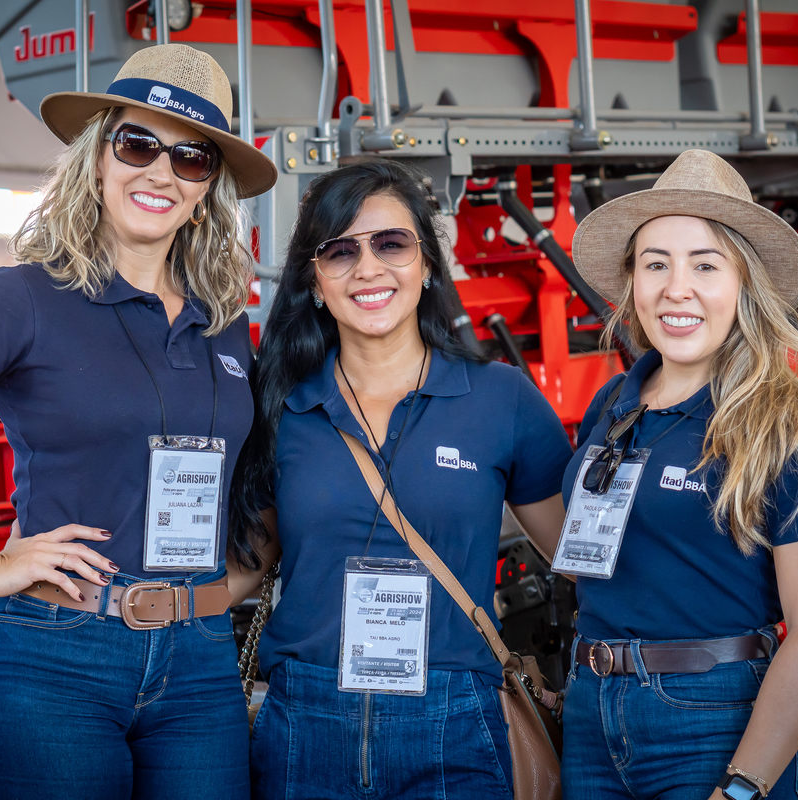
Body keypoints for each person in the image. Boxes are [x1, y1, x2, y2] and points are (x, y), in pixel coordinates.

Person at [0, 44, 276, 799]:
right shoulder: (24, 298)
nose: (161, 173)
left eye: (191, 159)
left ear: (208, 189)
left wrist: (240, 574)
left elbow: (258, 467)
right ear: (99, 157)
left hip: (199, 664)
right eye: (139, 144)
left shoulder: (224, 324)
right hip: (56, 658)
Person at [229, 160, 573, 799]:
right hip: (306, 720)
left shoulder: (502, 399)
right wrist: (121, 618)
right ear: (313, 280)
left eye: (391, 244)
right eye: (340, 251)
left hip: (457, 723)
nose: (369, 269)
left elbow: (578, 561)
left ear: (427, 263)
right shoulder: (279, 405)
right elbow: (250, 560)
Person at [558, 149, 798, 800]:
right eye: (656, 264)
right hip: (591, 712)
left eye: (704, 265)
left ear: (745, 283)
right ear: (633, 282)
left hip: (714, 719)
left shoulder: (792, 423)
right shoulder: (614, 405)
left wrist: (745, 787)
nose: (676, 288)